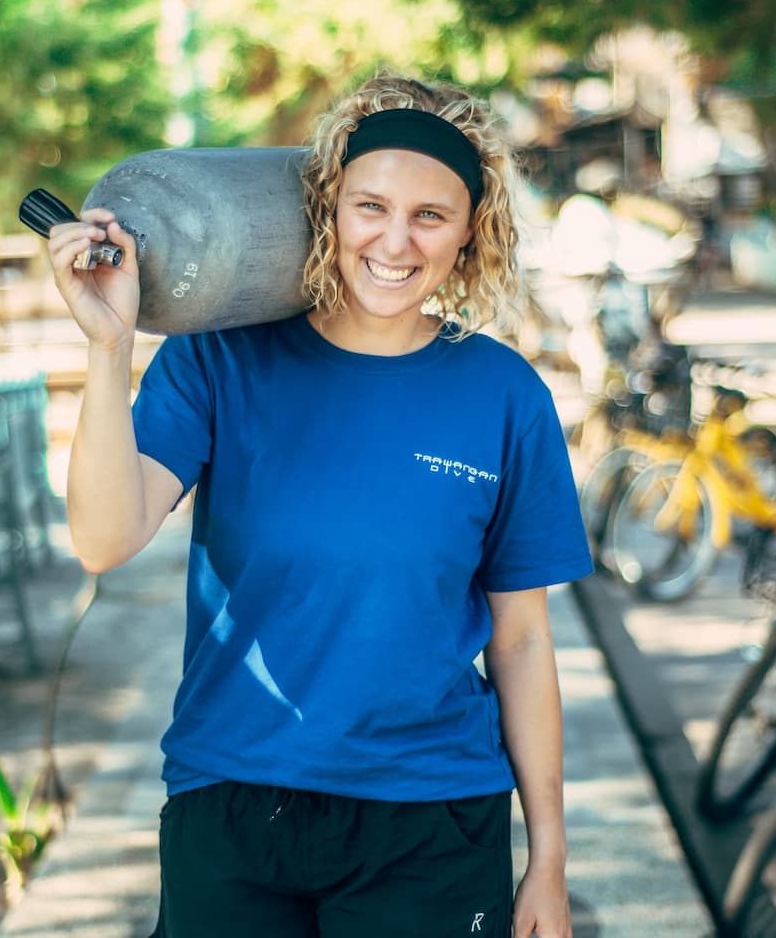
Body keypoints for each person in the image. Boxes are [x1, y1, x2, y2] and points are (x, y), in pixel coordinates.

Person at [47, 72, 593, 938]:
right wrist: (110, 350)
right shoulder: (217, 361)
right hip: (232, 803)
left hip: (431, 819)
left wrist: (550, 862)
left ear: (470, 234)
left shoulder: (503, 395)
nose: (395, 241)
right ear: (330, 209)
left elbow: (522, 641)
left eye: (430, 215)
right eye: (370, 206)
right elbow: (103, 539)